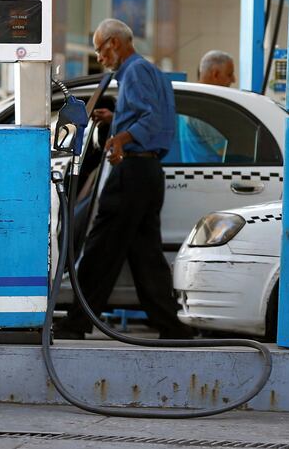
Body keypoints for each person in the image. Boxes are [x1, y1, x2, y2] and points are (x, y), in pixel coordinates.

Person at [55, 18, 192, 339]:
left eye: (100, 51)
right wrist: (115, 119)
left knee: (100, 247)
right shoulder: (150, 71)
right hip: (147, 173)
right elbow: (148, 115)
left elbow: (150, 118)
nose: (100, 58)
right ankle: (171, 327)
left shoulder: (134, 72)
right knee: (145, 255)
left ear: (114, 44)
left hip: (131, 172)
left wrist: (120, 139)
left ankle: (76, 322)